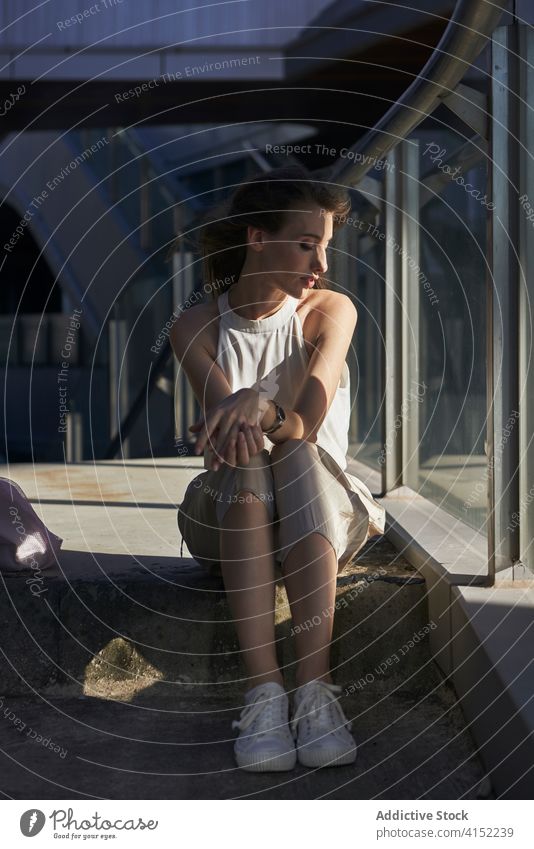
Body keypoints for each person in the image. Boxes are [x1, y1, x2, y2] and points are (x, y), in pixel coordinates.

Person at [171, 165, 385, 773]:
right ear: (258, 238)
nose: (319, 261)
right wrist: (244, 416)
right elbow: (231, 438)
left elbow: (307, 419)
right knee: (247, 463)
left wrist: (263, 406)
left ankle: (314, 695)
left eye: (324, 246)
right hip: (231, 515)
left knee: (294, 452)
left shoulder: (329, 310)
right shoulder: (196, 326)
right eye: (305, 243)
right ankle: (266, 693)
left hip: (317, 509)